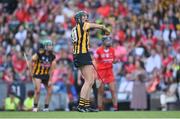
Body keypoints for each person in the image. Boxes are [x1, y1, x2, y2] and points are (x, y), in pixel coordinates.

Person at [71, 11, 110, 112]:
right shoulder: (83, 25)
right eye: (83, 16)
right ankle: (81, 105)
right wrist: (104, 27)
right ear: (79, 18)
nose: (85, 18)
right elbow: (96, 26)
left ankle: (86, 106)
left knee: (90, 80)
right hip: (82, 54)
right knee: (89, 81)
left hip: (78, 55)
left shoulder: (74, 28)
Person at [29, 39, 56, 112]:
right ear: (45, 47)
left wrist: (50, 79)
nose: (51, 47)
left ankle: (46, 108)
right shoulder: (39, 54)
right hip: (38, 74)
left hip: (46, 75)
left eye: (51, 45)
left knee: (50, 91)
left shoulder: (52, 56)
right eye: (49, 45)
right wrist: (31, 72)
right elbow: (31, 61)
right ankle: (35, 107)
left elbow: (51, 69)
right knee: (38, 91)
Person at [95, 36, 118, 111]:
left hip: (109, 72)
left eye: (110, 41)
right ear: (103, 42)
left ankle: (115, 107)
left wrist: (115, 61)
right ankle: (100, 107)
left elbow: (113, 60)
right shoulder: (98, 50)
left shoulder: (112, 50)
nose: (109, 42)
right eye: (108, 41)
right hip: (100, 73)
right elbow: (95, 61)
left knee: (113, 90)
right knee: (100, 91)